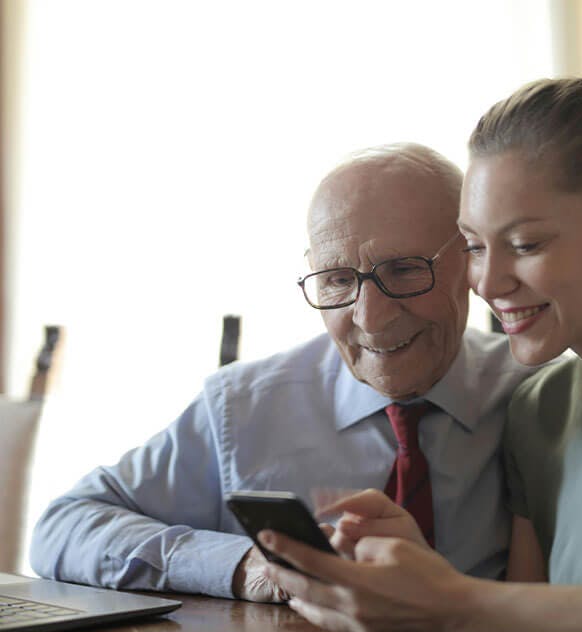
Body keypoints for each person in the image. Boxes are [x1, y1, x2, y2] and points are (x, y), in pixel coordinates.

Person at [257, 76, 582, 632]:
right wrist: (422, 577)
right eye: (475, 247)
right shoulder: (538, 411)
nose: (487, 281)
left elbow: (491, 614)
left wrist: (453, 603)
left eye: (525, 244)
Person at [30, 143, 537, 601]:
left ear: (472, 261)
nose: (369, 317)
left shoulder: (541, 400)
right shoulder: (243, 408)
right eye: (338, 280)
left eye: (404, 270)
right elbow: (63, 527)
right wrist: (241, 565)